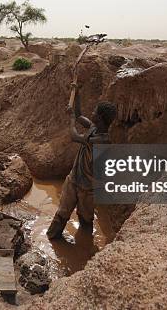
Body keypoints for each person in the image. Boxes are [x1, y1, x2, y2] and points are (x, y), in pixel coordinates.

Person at [47, 86, 117, 239]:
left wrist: (71, 118)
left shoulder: (103, 140)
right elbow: (79, 115)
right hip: (74, 179)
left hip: (88, 188)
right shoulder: (94, 127)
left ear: (100, 118)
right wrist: (77, 95)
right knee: (62, 214)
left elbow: (74, 136)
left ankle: (84, 247)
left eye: (95, 112)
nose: (92, 113)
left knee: (86, 220)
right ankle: (56, 239)